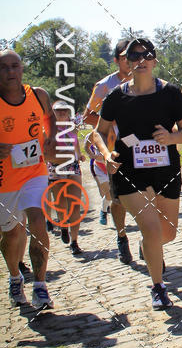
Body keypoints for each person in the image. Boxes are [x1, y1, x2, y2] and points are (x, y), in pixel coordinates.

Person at [95, 38, 182, 309]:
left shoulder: (171, 94)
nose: (140, 60)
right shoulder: (116, 97)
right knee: (150, 229)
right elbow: (99, 133)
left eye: (146, 55)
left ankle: (148, 247)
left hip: (166, 170)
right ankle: (158, 288)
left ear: (154, 60)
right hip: (129, 172)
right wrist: (106, 154)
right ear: (126, 61)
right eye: (134, 55)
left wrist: (171, 138)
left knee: (167, 233)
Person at [0, 49, 57, 309]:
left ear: (22, 68)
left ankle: (40, 286)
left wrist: (51, 138)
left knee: (37, 220)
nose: (10, 72)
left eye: (15, 66)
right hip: (5, 179)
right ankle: (14, 276)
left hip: (34, 171)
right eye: (4, 67)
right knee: (11, 235)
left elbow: (49, 117)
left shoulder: (38, 94)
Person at [84, 40, 134, 264]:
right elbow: (87, 116)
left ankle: (149, 238)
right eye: (125, 57)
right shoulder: (105, 86)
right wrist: (113, 118)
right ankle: (122, 236)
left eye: (134, 56)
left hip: (141, 147)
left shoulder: (146, 82)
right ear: (116, 60)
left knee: (148, 195)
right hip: (115, 149)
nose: (130, 61)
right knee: (119, 198)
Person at [46, 101, 86, 255]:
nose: (62, 113)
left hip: (73, 167)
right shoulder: (49, 130)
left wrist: (79, 155)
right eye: (58, 111)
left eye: (65, 111)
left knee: (75, 203)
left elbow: (75, 145)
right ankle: (63, 225)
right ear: (53, 113)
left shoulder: (72, 129)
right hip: (56, 168)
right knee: (61, 202)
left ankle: (75, 241)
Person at [84, 131, 111, 225]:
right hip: (100, 168)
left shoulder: (117, 129)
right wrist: (93, 155)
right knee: (109, 193)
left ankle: (116, 218)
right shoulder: (93, 134)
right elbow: (86, 147)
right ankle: (103, 211)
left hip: (113, 167)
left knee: (118, 194)